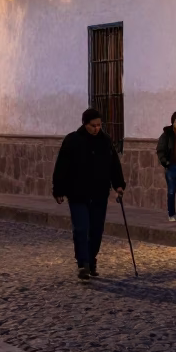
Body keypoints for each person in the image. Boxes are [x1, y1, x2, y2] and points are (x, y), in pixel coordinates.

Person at [52, 108, 126, 280]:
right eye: (93, 125)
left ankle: (91, 259)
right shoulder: (72, 140)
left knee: (96, 229)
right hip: (77, 193)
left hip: (99, 193)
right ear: (85, 124)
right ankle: (82, 263)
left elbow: (114, 164)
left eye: (99, 125)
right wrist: (58, 189)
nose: (96, 129)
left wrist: (119, 185)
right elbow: (61, 166)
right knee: (81, 228)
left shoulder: (105, 141)